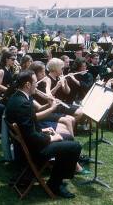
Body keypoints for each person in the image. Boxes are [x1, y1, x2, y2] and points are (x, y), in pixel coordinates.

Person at [5, 70, 81, 198]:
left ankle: (57, 179)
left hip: (28, 143)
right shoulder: (23, 103)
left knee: (68, 138)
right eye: (35, 82)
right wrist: (51, 138)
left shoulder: (18, 97)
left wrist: (43, 130)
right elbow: (31, 137)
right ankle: (55, 184)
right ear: (27, 85)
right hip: (34, 149)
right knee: (75, 146)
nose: (37, 85)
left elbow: (29, 123)